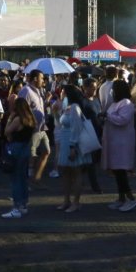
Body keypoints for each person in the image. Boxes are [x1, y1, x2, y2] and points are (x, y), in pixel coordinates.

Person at [102, 79, 136, 212]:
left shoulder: (127, 104)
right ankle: (121, 198)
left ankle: (132, 198)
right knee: (117, 171)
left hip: (122, 142)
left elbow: (123, 120)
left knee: (121, 171)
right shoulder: (115, 103)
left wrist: (107, 116)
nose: (112, 92)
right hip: (114, 141)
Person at [54, 85, 89, 213]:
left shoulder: (75, 108)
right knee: (66, 173)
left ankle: (76, 202)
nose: (61, 94)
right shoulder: (67, 107)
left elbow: (76, 128)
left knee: (76, 172)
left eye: (63, 92)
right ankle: (66, 200)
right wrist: (56, 113)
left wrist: (73, 146)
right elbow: (61, 123)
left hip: (72, 142)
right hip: (65, 140)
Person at [0, 96, 36, 219]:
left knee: (15, 179)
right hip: (26, 147)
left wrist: (9, 118)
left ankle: (16, 207)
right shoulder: (30, 119)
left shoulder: (18, 119)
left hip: (16, 147)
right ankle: (23, 205)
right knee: (22, 178)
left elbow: (6, 132)